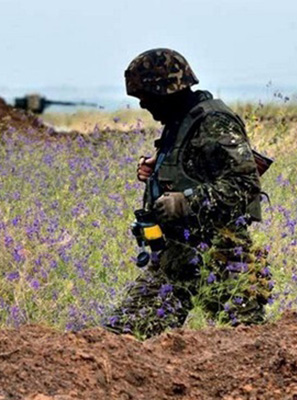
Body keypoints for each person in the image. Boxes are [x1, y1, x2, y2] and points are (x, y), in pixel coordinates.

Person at [105, 48, 272, 339]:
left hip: (222, 260)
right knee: (122, 340)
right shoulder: (180, 122)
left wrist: (184, 203)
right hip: (175, 261)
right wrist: (157, 169)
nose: (143, 103)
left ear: (167, 90)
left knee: (246, 350)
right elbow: (195, 168)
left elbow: (245, 186)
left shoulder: (214, 121)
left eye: (146, 95)